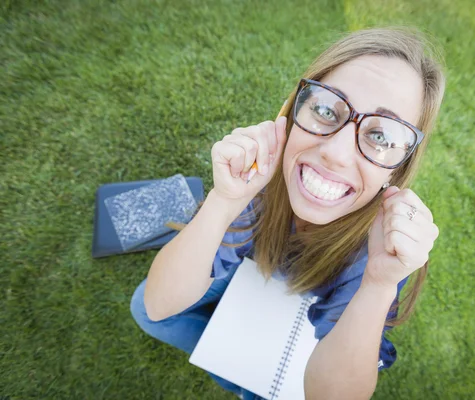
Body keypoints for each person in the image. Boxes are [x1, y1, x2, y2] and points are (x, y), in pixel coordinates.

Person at [130, 26, 445, 400]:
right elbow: (157, 304)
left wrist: (379, 283)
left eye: (381, 136)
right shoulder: (260, 178)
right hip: (254, 275)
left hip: (311, 306)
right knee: (144, 307)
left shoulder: (380, 244)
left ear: (397, 167)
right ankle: (246, 380)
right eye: (327, 109)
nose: (336, 153)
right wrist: (224, 200)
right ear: (294, 110)